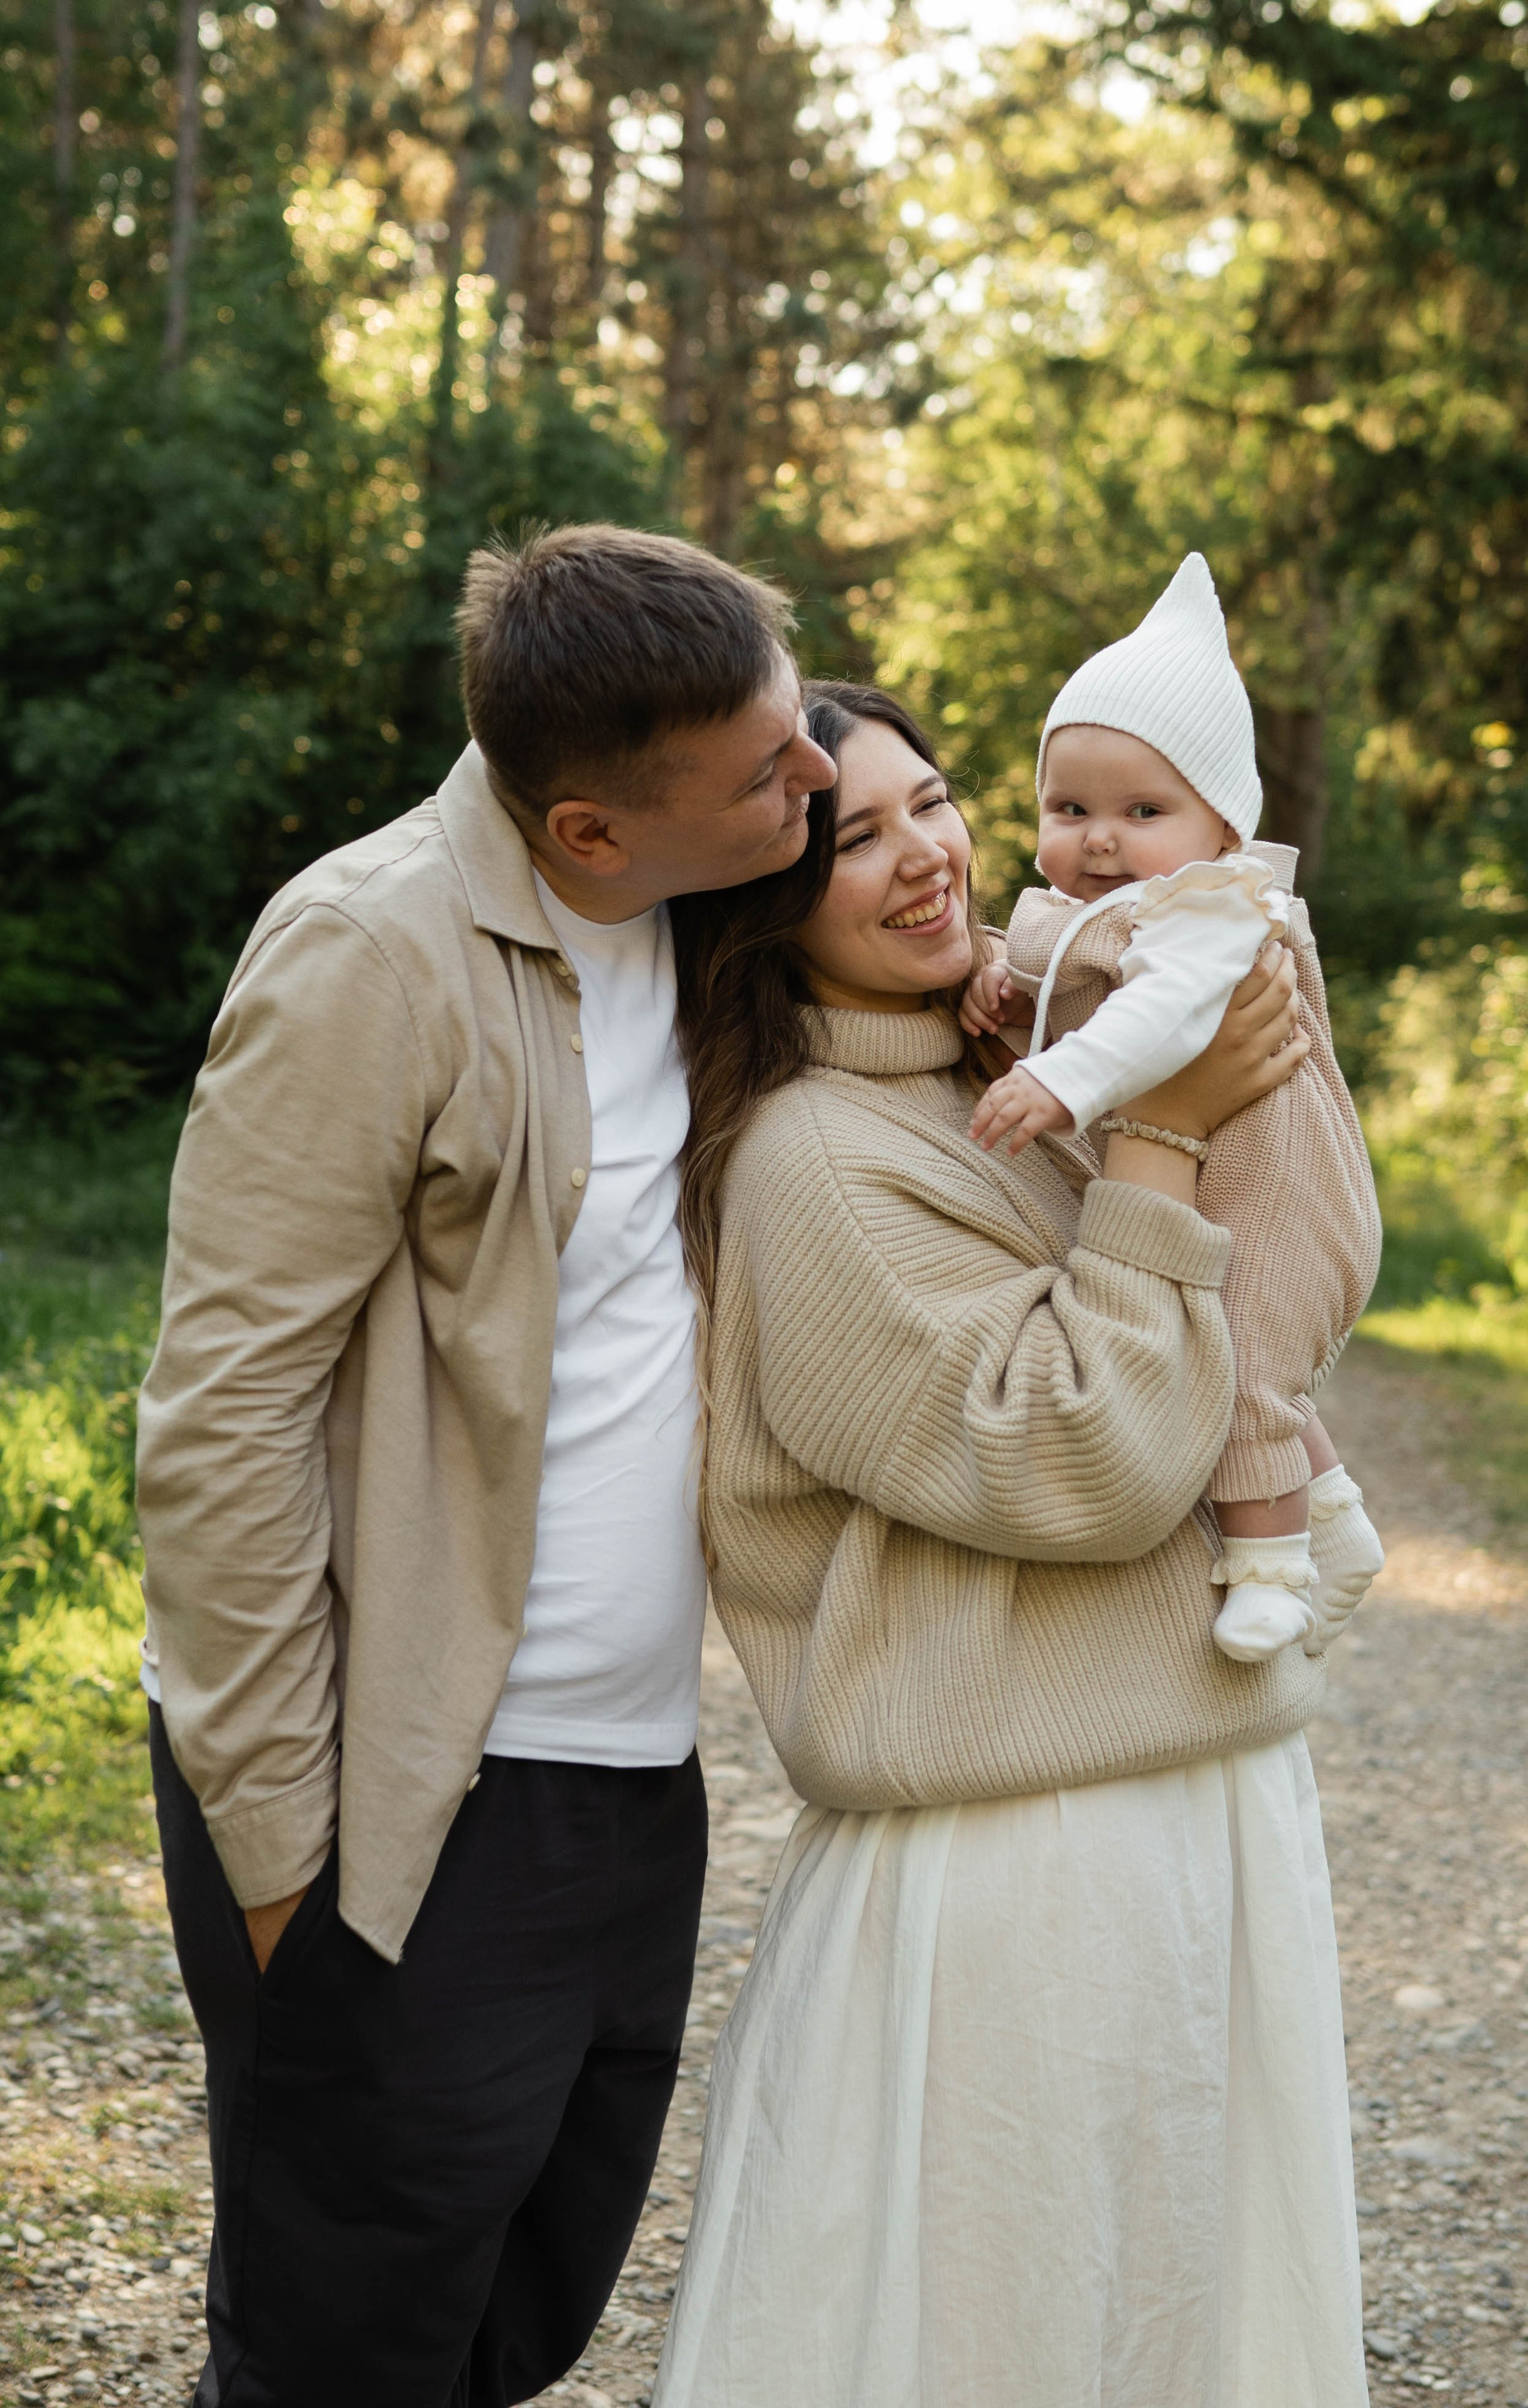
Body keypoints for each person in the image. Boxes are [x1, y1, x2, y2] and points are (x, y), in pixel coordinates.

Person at [134, 524, 836, 2408]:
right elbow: (222, 1414)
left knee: (517, 2317)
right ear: (589, 828)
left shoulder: (710, 899)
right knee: (343, 2349)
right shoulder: (372, 953)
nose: (817, 773)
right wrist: (285, 1858)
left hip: (631, 1783)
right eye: (767, 766)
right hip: (408, 1794)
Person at [653, 680, 1371, 2407]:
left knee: (1185, 2336)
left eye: (932, 800)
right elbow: (1089, 1457)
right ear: (762, 900)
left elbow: (1263, 1296)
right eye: (852, 837)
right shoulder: (815, 1165)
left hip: (1187, 1814)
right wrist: (1166, 1129)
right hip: (1015, 1872)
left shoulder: (1014, 1064)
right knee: (999, 2340)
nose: (924, 855)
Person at [963, 554, 1384, 1662]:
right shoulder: (1093, 903)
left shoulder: (1212, 909)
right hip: (1216, 1166)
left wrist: (1062, 1078)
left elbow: (1163, 1014)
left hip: (1276, 1179)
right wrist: (994, 977)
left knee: (1242, 1363)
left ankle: (1271, 1570)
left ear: (1224, 830)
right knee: (1227, 1348)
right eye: (1070, 808)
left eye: (1142, 810)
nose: (1099, 837)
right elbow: (1054, 976)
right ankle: (1335, 1521)